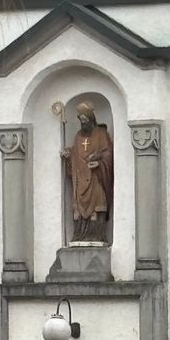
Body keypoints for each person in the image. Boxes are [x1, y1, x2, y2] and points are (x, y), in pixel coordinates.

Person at [61, 100, 114, 243]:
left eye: (85, 120)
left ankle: (96, 236)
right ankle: (80, 236)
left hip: (96, 178)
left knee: (97, 208)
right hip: (80, 179)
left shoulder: (101, 134)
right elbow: (76, 156)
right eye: (81, 120)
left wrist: (99, 162)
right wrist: (68, 155)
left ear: (91, 119)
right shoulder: (78, 136)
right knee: (79, 209)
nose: (83, 123)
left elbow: (109, 154)